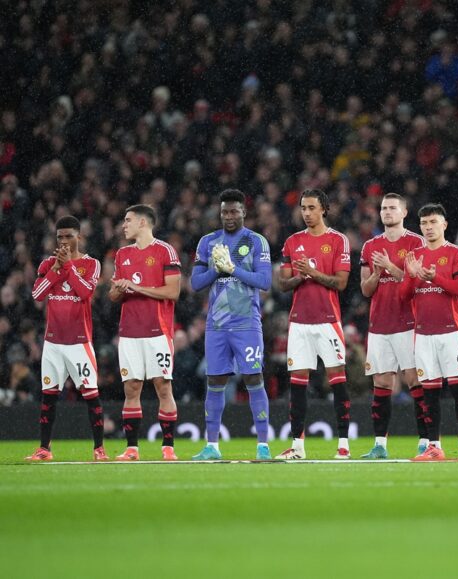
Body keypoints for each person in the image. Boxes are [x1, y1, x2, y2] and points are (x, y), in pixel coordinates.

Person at [190, 189, 273, 461]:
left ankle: (263, 445)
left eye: (234, 211)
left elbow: (265, 282)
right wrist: (216, 269)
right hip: (217, 325)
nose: (229, 216)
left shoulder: (256, 241)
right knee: (214, 380)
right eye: (225, 211)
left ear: (244, 212)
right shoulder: (208, 241)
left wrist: (233, 268)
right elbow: (195, 283)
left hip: (247, 323)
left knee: (253, 378)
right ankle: (212, 446)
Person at [276, 189, 352, 460]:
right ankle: (297, 447)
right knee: (297, 384)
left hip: (328, 321)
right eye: (303, 208)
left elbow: (341, 283)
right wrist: (300, 277)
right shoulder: (292, 242)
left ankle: (343, 444)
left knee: (338, 381)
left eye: (311, 208)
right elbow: (282, 284)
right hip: (299, 323)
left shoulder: (338, 241)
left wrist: (313, 273)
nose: (306, 213)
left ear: (324, 209)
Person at [26, 216, 106, 461]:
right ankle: (44, 449)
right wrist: (55, 269)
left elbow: (85, 292)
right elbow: (37, 295)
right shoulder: (48, 264)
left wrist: (68, 266)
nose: (64, 241)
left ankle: (99, 449)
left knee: (91, 395)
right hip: (53, 343)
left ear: (79, 237)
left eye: (69, 236)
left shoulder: (92, 264)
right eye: (60, 236)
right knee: (48, 396)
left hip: (79, 342)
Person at [403, 203, 458, 462]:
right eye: (424, 223)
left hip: (450, 332)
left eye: (433, 222)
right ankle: (434, 445)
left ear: (444, 224)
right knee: (429, 392)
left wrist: (435, 278)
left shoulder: (456, 253)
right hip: (423, 333)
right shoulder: (414, 255)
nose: (428, 227)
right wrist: (411, 276)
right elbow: (403, 296)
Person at [109, 205, 181, 461]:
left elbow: (172, 292)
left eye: (127, 220)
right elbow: (114, 296)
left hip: (157, 332)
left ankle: (168, 447)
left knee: (163, 387)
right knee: (131, 388)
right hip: (129, 332)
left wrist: (137, 288)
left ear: (142, 222)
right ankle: (132, 449)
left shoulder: (164, 251)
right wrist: (119, 289)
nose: (123, 225)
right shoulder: (122, 254)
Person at [358, 193, 428, 459]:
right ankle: (379, 445)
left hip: (409, 322)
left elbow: (420, 283)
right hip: (379, 323)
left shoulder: (416, 243)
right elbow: (365, 290)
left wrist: (390, 267)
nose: (387, 212)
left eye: (392, 208)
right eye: (384, 208)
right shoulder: (370, 246)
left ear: (404, 213)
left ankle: (425, 441)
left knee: (415, 380)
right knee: (382, 382)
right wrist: (377, 274)